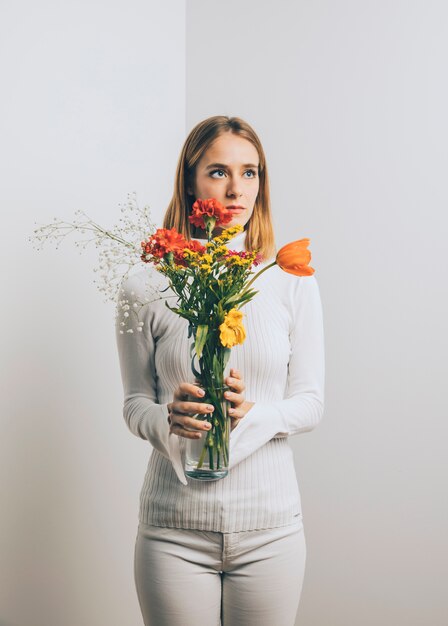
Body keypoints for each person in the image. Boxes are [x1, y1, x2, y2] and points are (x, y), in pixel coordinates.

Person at [115, 115, 325, 626]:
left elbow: (311, 403)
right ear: (190, 181)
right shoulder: (146, 282)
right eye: (218, 172)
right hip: (173, 530)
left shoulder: (289, 280)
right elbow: (134, 403)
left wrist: (252, 414)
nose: (236, 189)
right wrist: (169, 418)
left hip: (271, 529)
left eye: (250, 173)